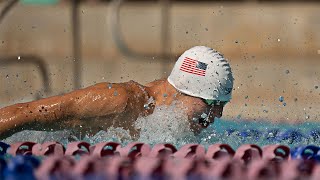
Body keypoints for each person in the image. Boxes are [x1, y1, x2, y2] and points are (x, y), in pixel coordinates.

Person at [0, 46, 234, 140]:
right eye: (213, 103)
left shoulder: (172, 124)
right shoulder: (119, 101)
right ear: (184, 89)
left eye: (223, 104)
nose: (219, 114)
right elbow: (26, 112)